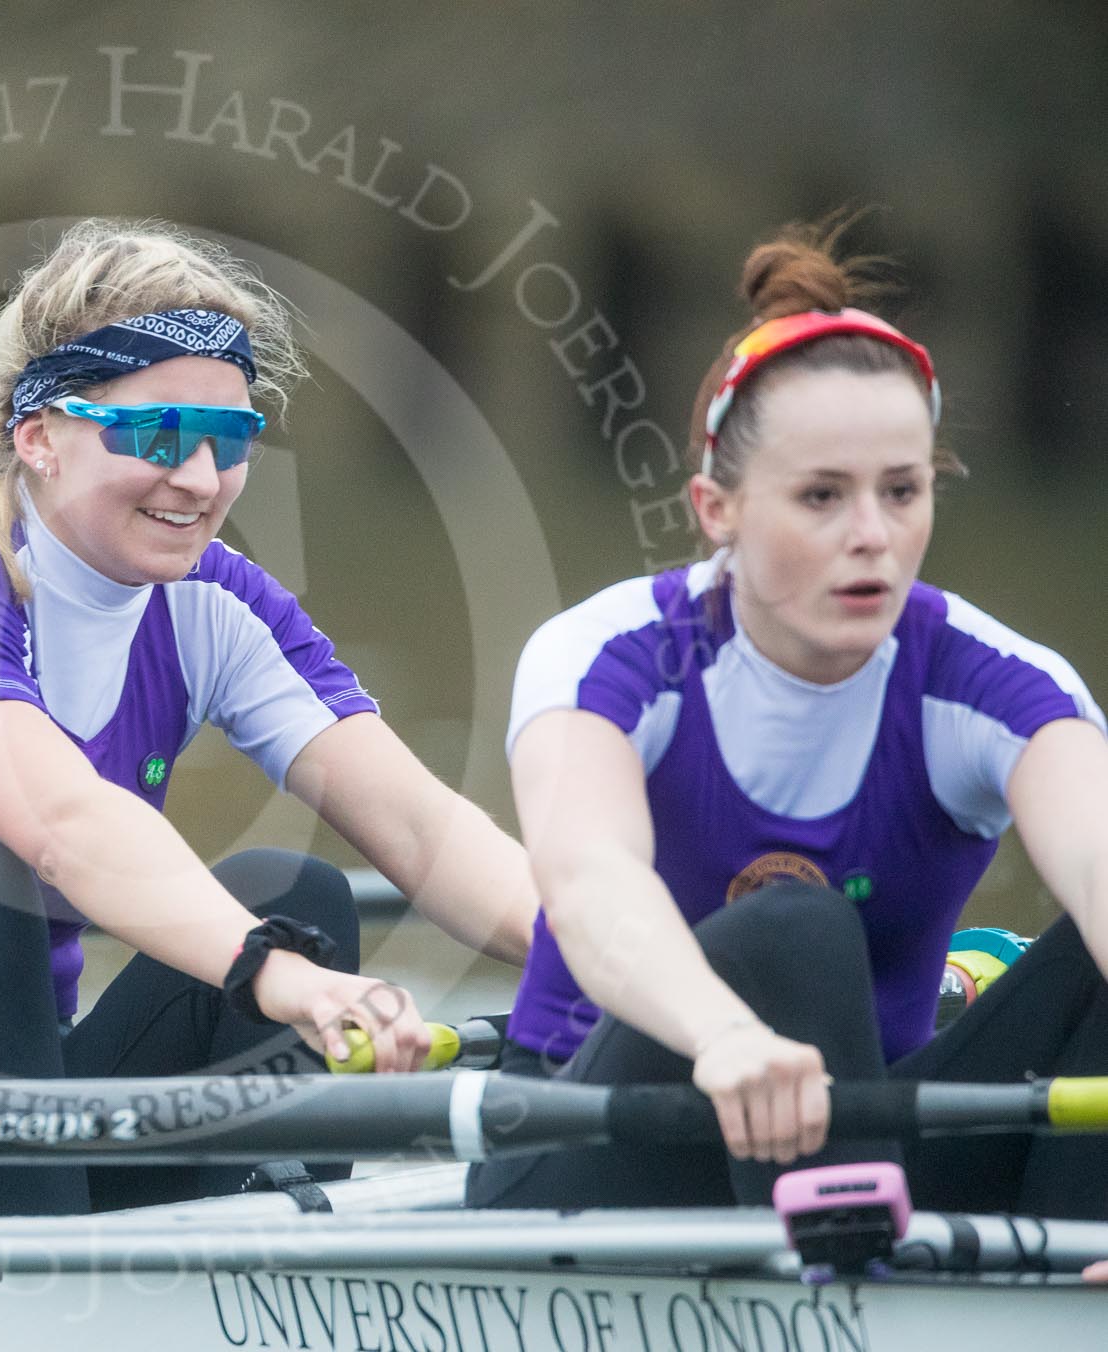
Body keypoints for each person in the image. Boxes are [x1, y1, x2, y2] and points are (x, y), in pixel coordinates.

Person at [0, 218, 537, 1220]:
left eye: (230, 439)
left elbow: (421, 826)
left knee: (296, 888)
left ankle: (250, 1275)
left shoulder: (214, 604)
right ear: (38, 437)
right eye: (157, 434)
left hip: (11, 1110)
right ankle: (50, 1304)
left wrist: (646, 977)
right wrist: (277, 975)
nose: (199, 478)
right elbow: (63, 823)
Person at [468, 218, 1108, 1220]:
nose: (873, 536)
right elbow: (590, 887)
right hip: (595, 1142)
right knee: (794, 930)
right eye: (821, 496)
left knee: (1087, 964)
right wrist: (724, 1033)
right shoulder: (609, 655)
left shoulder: (998, 681)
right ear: (716, 508)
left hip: (866, 1138)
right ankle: (855, 1261)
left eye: (903, 491)